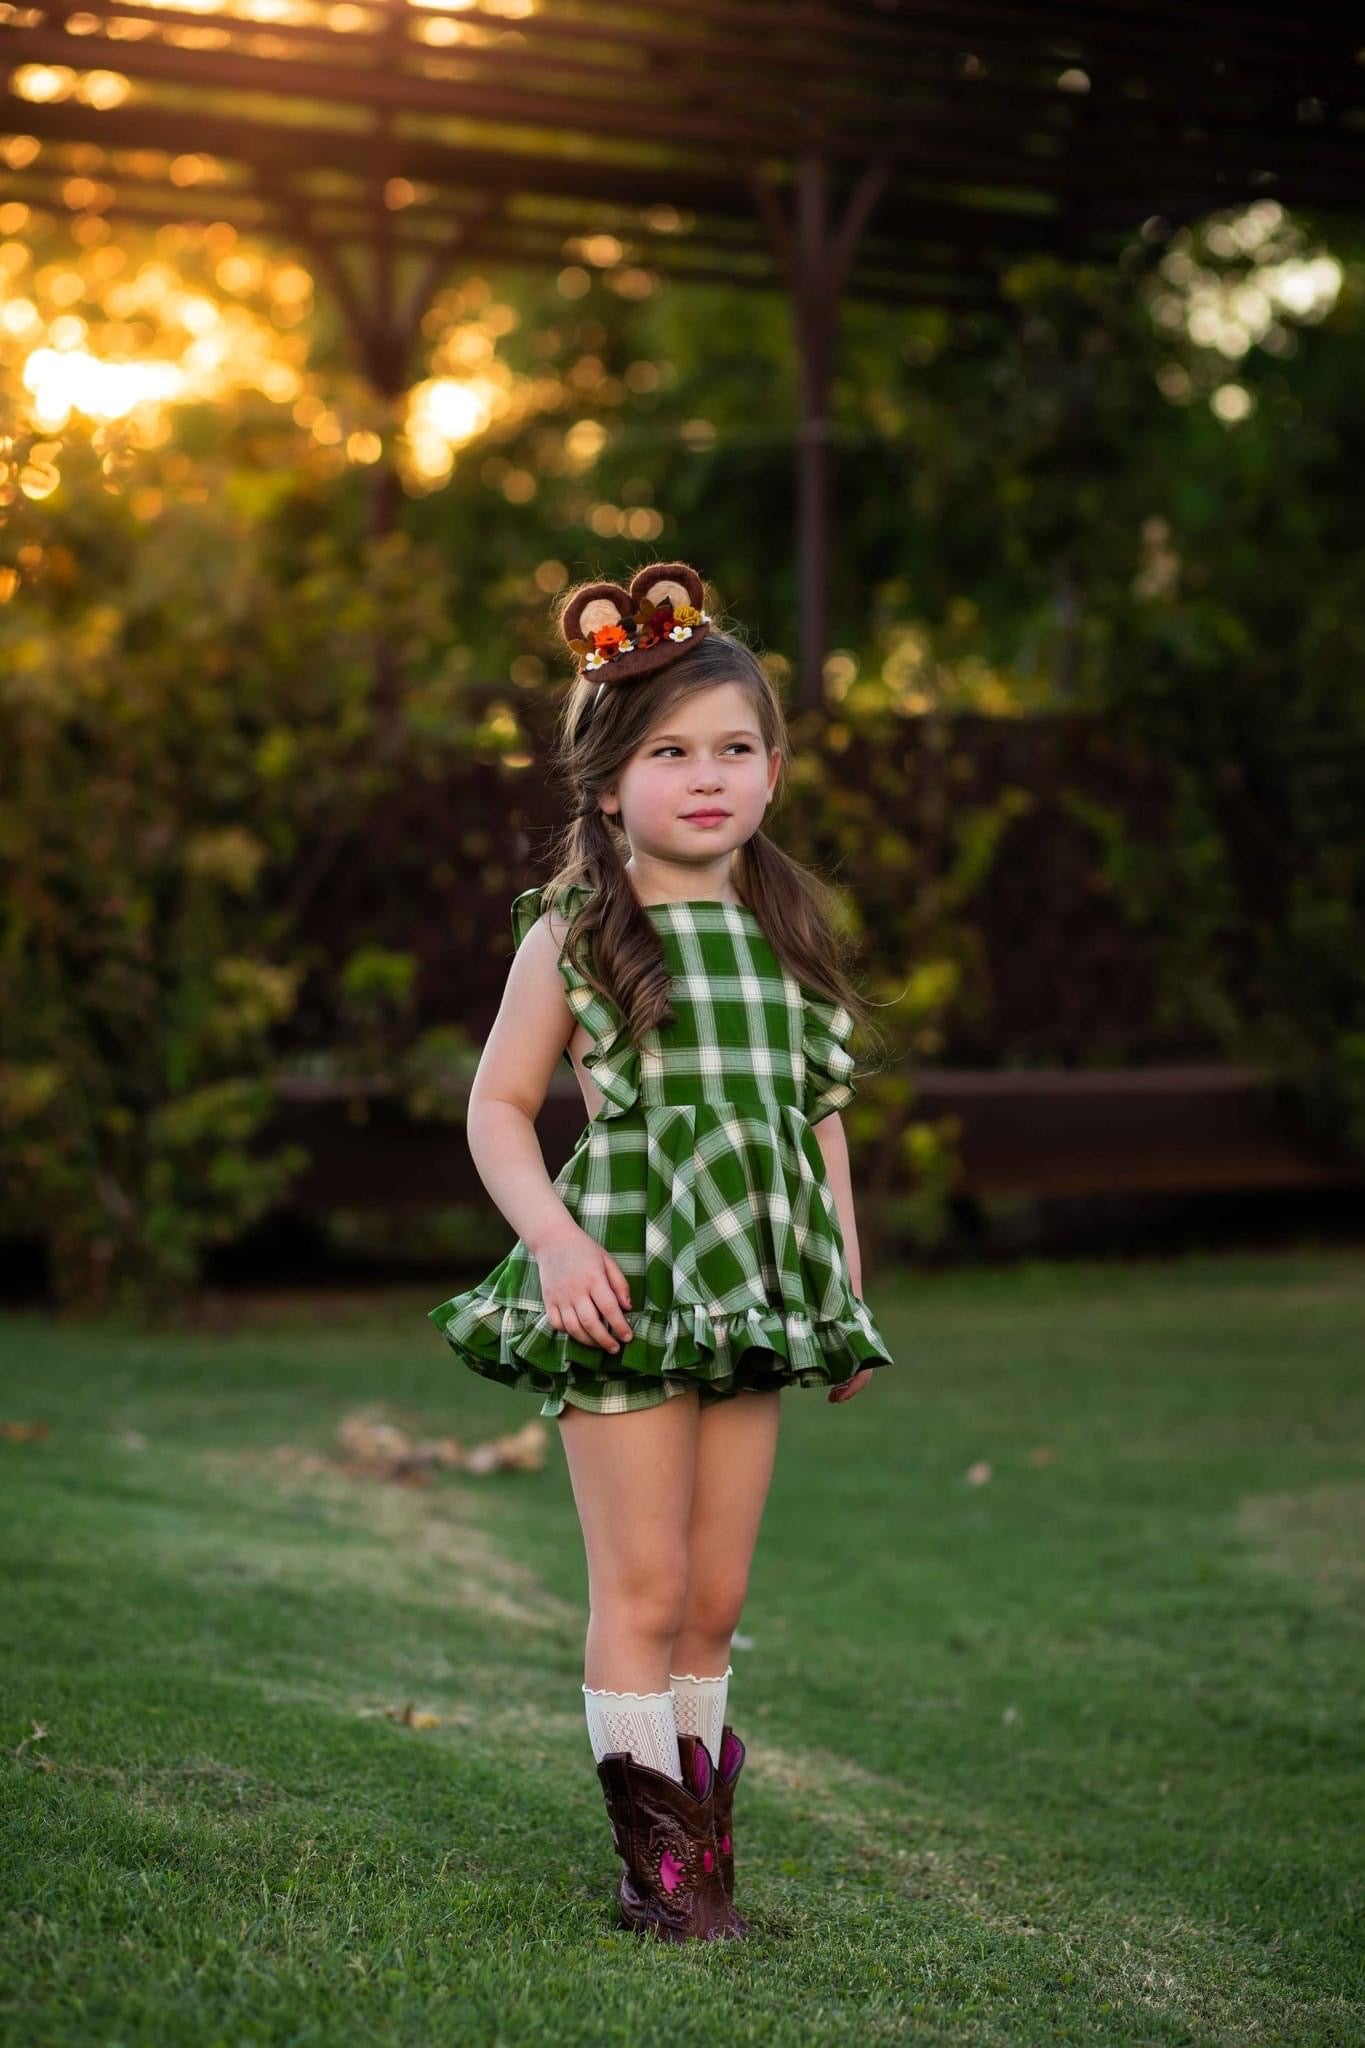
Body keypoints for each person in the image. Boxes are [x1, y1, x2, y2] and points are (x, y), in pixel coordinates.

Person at [429, 560, 895, 1943]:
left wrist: (844, 1291)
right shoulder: (575, 934)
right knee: (637, 1588)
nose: (709, 777)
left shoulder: (789, 938)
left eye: (736, 749)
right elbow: (497, 1110)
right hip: (623, 1295)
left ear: (771, 769)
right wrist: (558, 1245)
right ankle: (655, 1871)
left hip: (750, 1294)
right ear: (607, 780)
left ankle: (708, 1843)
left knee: (713, 1594)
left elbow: (817, 1129)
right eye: (671, 753)